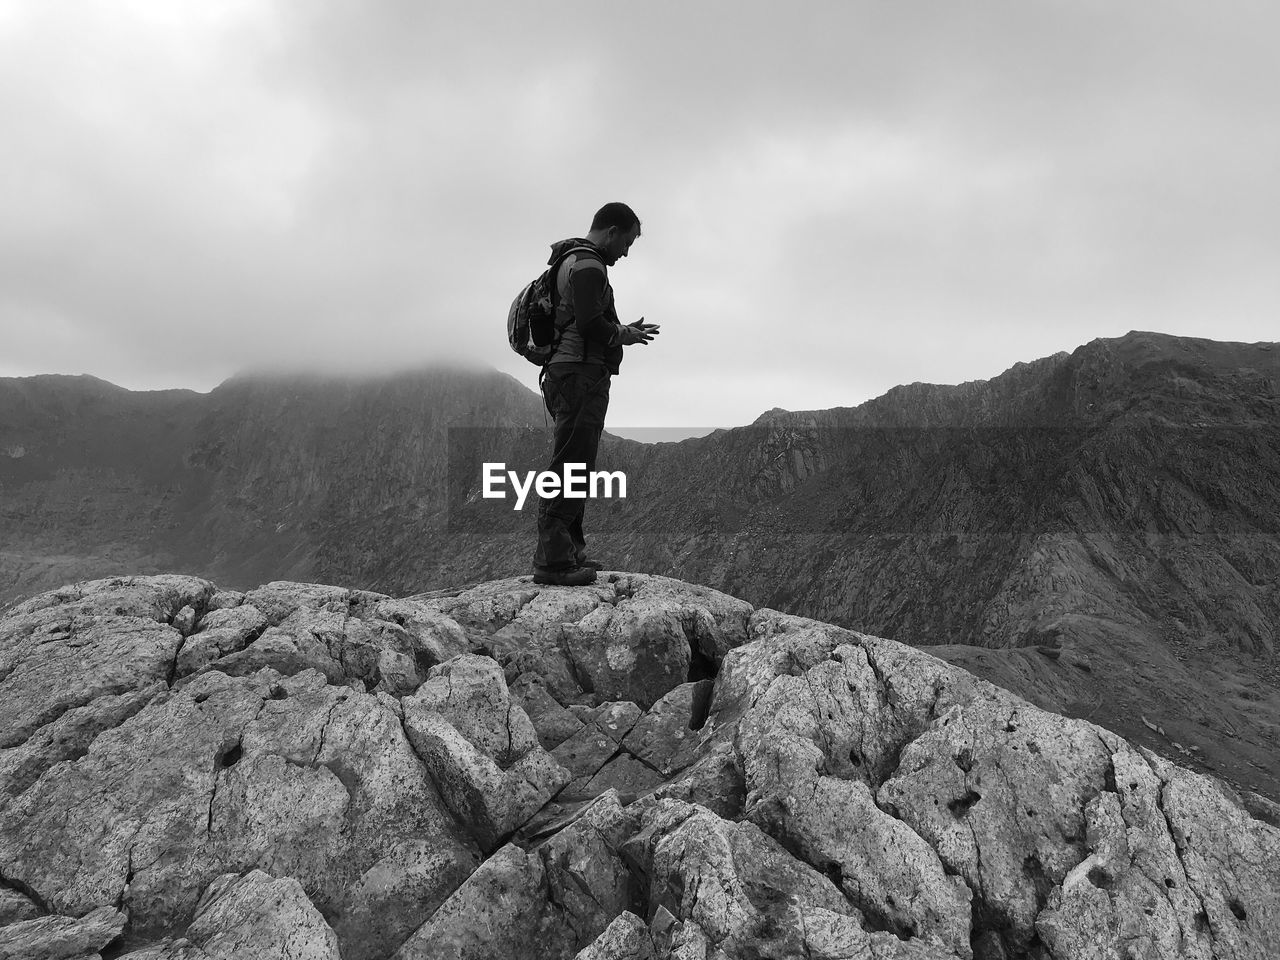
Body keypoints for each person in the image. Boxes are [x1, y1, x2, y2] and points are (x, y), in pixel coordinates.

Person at [532, 202, 660, 586]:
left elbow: (582, 316)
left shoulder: (569, 260)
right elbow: (589, 324)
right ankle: (553, 561)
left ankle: (569, 552)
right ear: (611, 231)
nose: (626, 252)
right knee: (572, 465)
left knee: (576, 463)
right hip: (578, 377)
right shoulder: (589, 265)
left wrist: (620, 328)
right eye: (627, 242)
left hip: (565, 374)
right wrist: (624, 335)